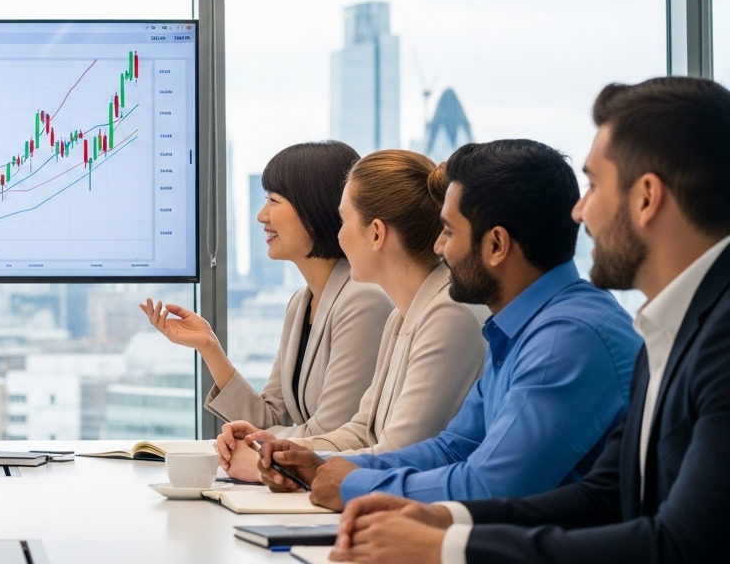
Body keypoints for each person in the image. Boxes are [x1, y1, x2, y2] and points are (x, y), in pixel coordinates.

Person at [331, 77, 730, 564]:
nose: (580, 212)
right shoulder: (666, 330)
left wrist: (449, 545)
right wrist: (448, 519)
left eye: (595, 185)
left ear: (647, 198)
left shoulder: (681, 337)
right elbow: (605, 496)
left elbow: (680, 545)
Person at [254, 140, 643, 511]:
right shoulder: (518, 328)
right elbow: (453, 447)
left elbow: (490, 485)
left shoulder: (567, 338)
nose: (439, 247)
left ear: (496, 245)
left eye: (450, 232)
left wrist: (352, 482)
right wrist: (320, 465)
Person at [218, 150, 489, 480]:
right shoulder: (404, 314)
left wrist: (278, 467)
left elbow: (397, 453)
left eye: (344, 221)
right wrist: (275, 446)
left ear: (376, 233)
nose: (339, 234)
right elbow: (361, 431)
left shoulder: (449, 316)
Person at [141, 141, 393, 436]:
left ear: (313, 207)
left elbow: (330, 435)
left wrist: (254, 443)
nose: (262, 215)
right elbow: (270, 418)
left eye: (274, 201)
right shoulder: (301, 303)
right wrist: (208, 346)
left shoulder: (364, 302)